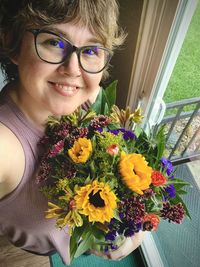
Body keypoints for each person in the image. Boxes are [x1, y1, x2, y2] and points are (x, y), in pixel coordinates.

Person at [0, 0, 144, 265]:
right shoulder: (5, 147)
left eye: (91, 50)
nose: (74, 70)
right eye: (54, 42)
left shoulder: (90, 99)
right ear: (12, 42)